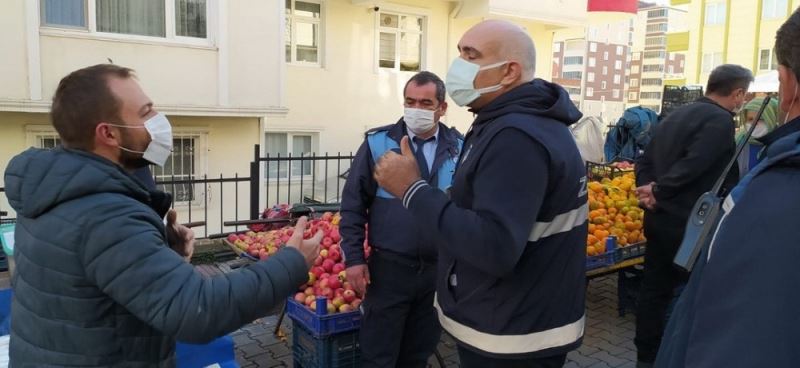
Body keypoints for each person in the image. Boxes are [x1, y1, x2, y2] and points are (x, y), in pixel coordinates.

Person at [3, 64, 321, 367]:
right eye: (146, 112)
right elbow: (199, 310)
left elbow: (103, 279)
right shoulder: (104, 215)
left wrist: (161, 251)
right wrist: (290, 262)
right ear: (109, 134)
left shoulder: (59, 189)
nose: (159, 119)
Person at [373, 20, 587, 367]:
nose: (457, 65)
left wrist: (412, 189)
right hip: (517, 319)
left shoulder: (517, 137)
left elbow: (494, 246)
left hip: (513, 334)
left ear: (509, 71)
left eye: (470, 55)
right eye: (459, 52)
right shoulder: (511, 122)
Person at [655, 10, 800, 367]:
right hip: (684, 220)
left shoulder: (774, 191)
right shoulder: (724, 128)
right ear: (736, 93)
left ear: (787, 82)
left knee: (658, 292)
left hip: (668, 220)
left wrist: (655, 188)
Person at [340, 71, 463, 368]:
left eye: (425, 102)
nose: (416, 109)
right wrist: (354, 260)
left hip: (437, 272)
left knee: (417, 355)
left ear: (441, 108)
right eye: (410, 101)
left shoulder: (459, 148)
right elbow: (353, 205)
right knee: (378, 357)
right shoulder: (378, 143)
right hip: (389, 270)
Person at [633, 64, 752, 367]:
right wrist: (659, 190)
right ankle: (670, 356)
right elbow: (695, 165)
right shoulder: (719, 121)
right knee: (684, 295)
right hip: (688, 226)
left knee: (653, 290)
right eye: (744, 95)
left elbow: (644, 159)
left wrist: (647, 190)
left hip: (658, 217)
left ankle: (645, 356)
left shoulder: (679, 114)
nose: (744, 101)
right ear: (737, 93)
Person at [735, 96, 780, 176]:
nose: (754, 123)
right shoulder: (738, 142)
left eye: (761, 119)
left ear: (772, 118)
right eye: (750, 119)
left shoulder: (782, 145)